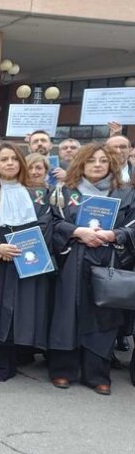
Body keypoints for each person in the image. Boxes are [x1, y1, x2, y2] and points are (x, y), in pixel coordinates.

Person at [48, 143, 135, 395]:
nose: (97, 165)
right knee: (68, 313)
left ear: (111, 165)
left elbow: (132, 226)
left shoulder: (126, 193)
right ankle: (63, 369)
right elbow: (52, 221)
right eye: (91, 161)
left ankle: (96, 373)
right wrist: (77, 231)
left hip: (109, 260)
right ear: (81, 164)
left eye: (103, 161)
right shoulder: (65, 191)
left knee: (103, 316)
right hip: (74, 259)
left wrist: (113, 235)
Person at [0, 143, 53, 381]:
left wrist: (21, 249)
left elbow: (44, 226)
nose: (10, 163)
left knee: (13, 313)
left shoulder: (38, 195)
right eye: (4, 159)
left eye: (14, 159)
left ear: (21, 163)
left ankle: (5, 361)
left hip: (22, 261)